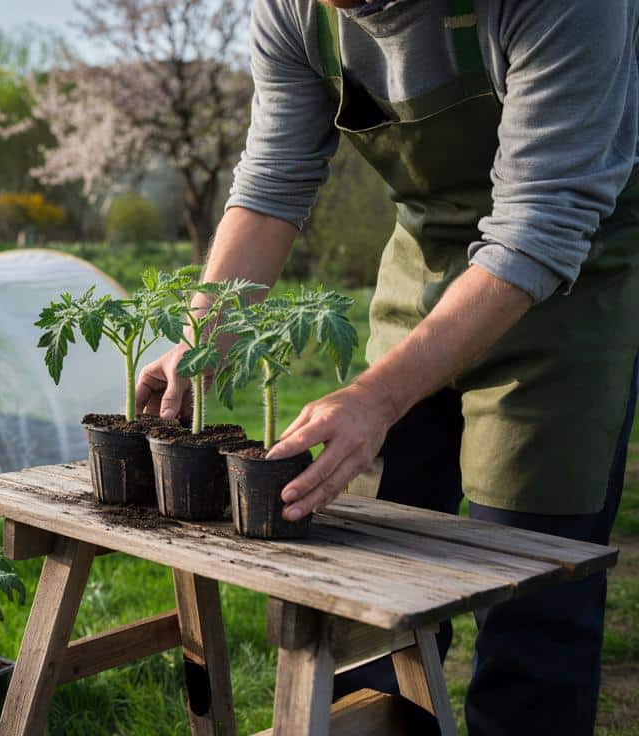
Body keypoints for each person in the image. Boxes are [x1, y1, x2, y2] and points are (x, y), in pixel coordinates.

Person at [134, 1, 639, 733]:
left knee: (534, 606)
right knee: (373, 590)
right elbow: (273, 182)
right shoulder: (295, 12)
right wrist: (202, 337)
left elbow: (542, 220)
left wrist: (376, 397)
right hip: (426, 260)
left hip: (570, 280)